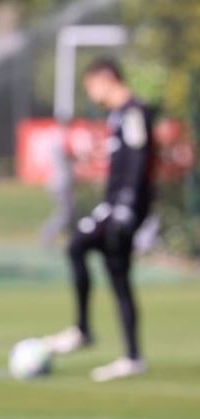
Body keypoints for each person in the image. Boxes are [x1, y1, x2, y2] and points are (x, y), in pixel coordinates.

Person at [43, 58, 155, 382]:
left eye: (90, 85)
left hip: (122, 208)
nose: (91, 93)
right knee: (117, 274)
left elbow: (140, 159)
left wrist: (125, 208)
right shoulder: (120, 115)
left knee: (78, 246)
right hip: (117, 206)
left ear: (105, 80)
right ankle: (132, 356)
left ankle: (83, 330)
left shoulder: (133, 112)